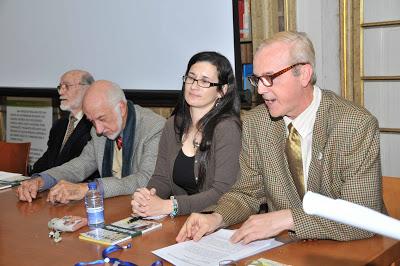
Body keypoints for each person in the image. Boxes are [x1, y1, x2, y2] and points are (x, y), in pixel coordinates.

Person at [177, 31, 383, 243]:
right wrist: (217, 218)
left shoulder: (354, 124)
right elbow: (246, 193)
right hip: (289, 250)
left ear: (303, 74)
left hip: (352, 249)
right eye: (257, 79)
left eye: (270, 78)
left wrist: (289, 219)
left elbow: (362, 216)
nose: (261, 89)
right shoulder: (256, 122)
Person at [16, 80, 166, 203]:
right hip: (111, 208)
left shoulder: (154, 127)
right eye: (92, 121)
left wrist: (89, 188)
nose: (99, 130)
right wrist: (41, 181)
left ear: (121, 108)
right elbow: (79, 165)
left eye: (101, 119)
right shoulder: (98, 130)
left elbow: (145, 180)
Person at [131, 51, 241, 217]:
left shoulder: (227, 128)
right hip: (182, 220)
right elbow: (162, 178)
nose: (194, 86)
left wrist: (170, 206)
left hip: (217, 221)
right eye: (191, 78)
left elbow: (223, 191)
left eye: (205, 81)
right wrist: (147, 198)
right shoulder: (173, 124)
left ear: (222, 91)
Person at [31, 70, 99, 180]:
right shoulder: (59, 125)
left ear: (87, 89)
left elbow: (89, 168)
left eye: (67, 86)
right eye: (60, 87)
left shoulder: (96, 125)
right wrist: (34, 178)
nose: (60, 92)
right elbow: (47, 161)